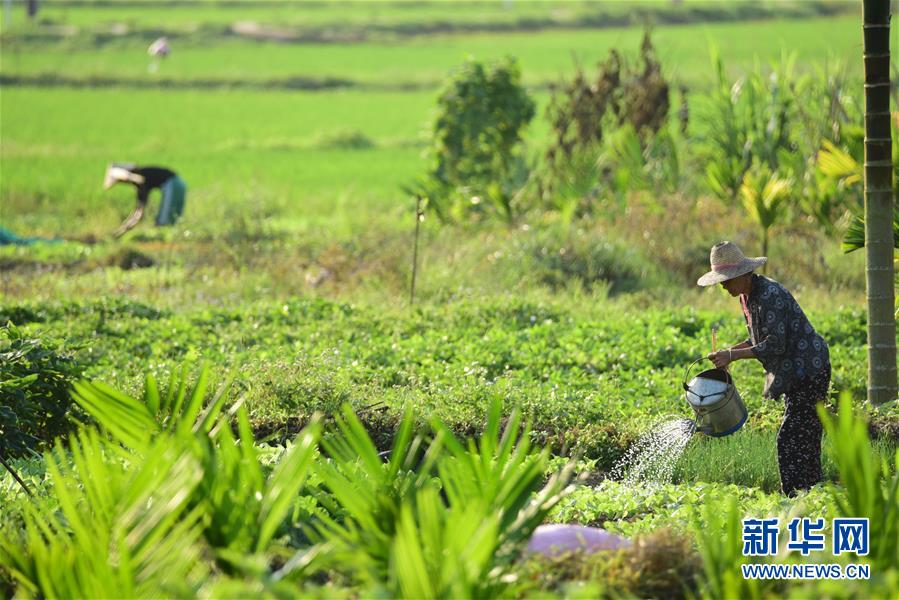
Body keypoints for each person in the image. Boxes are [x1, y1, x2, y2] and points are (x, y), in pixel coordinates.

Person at [697, 241, 830, 496]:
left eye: (726, 280)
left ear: (742, 274)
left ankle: (794, 497)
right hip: (794, 373)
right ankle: (810, 494)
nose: (723, 286)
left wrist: (732, 355)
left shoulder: (769, 295)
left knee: (792, 439)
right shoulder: (747, 297)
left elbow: (775, 344)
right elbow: (758, 339)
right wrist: (729, 353)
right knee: (805, 437)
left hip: (808, 369)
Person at [104, 163, 187, 237]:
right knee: (168, 221)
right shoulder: (142, 184)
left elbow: (130, 177)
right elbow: (139, 212)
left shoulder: (141, 178)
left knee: (164, 223)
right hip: (176, 185)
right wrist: (122, 230)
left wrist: (122, 230)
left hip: (173, 184)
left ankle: (166, 243)